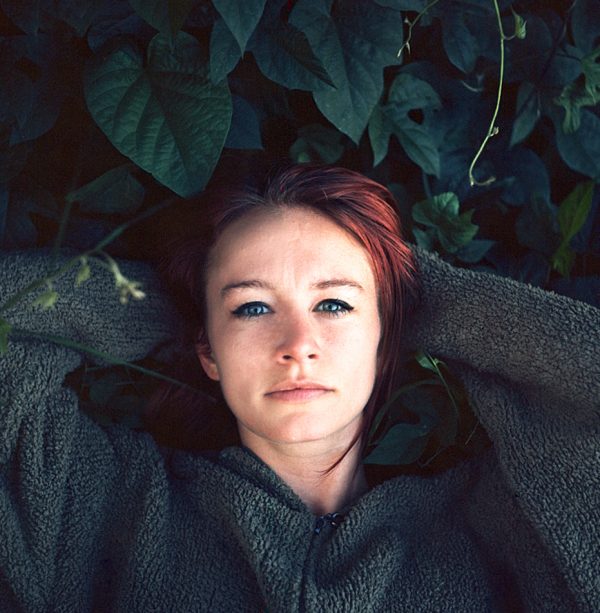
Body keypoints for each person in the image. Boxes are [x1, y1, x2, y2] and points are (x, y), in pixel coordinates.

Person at [0, 164, 598, 612]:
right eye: (253, 308)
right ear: (207, 351)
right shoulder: (105, 502)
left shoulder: (493, 529)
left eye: (334, 304)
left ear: (386, 338)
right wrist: (174, 303)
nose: (298, 344)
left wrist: (424, 298)